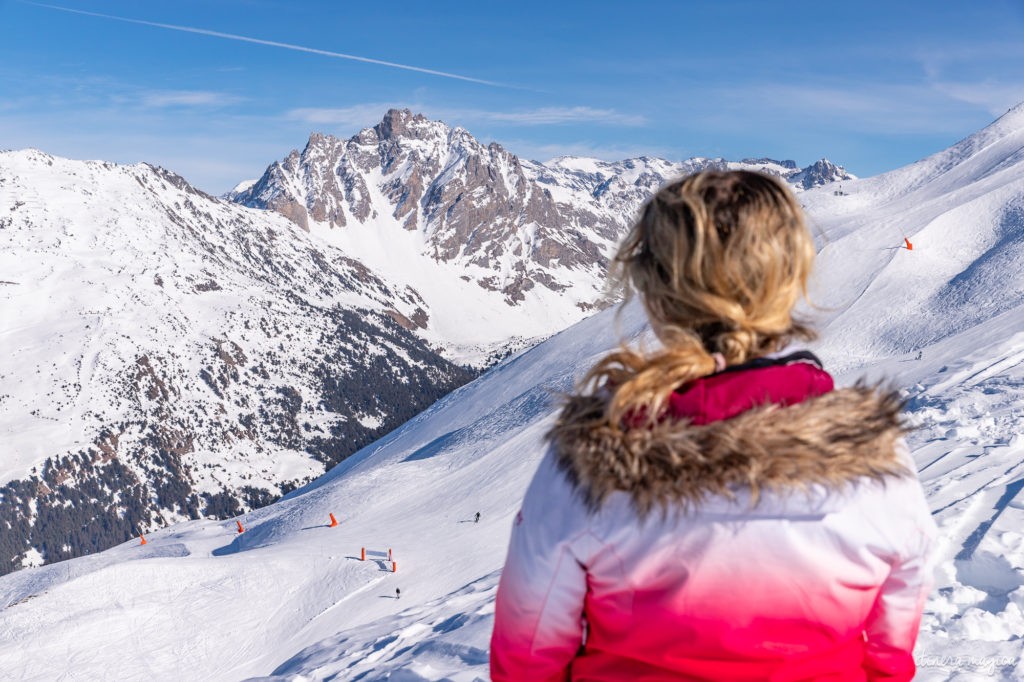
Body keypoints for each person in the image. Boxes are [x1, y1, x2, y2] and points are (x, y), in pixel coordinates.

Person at [490, 171, 936, 681]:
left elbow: (527, 655)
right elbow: (892, 647)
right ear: (792, 280)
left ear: (655, 294)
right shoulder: (875, 461)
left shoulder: (595, 459)